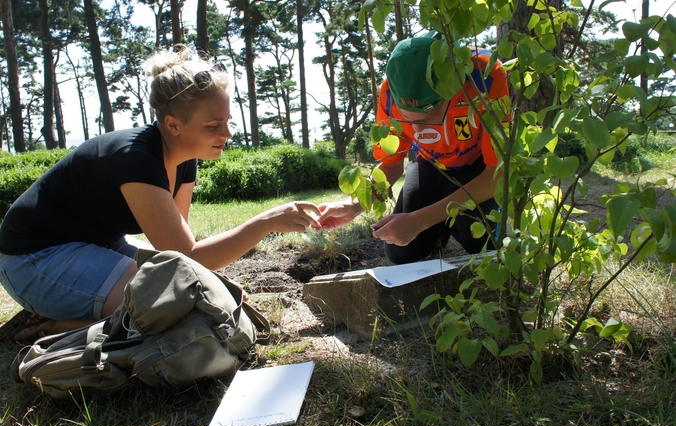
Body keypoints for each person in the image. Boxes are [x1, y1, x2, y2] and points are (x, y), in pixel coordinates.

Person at [0, 45, 320, 342]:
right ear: (173, 124)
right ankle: (56, 325)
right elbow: (188, 255)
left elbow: (176, 256)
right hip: (34, 258)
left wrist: (206, 283)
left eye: (227, 122)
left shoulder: (184, 162)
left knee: (190, 298)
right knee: (173, 310)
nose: (227, 134)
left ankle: (83, 309)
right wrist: (264, 222)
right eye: (213, 125)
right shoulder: (136, 159)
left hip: (96, 245)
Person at [315, 37, 509, 265]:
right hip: (431, 165)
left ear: (450, 90)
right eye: (408, 120)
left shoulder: (485, 76)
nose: (417, 131)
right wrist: (355, 206)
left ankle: (453, 223)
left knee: (482, 242)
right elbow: (391, 164)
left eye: (429, 119)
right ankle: (442, 228)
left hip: (479, 168)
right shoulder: (390, 90)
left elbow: (496, 175)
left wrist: (421, 220)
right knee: (400, 251)